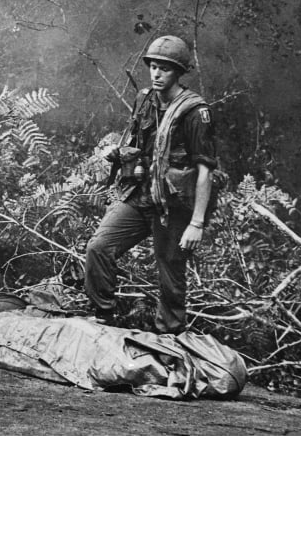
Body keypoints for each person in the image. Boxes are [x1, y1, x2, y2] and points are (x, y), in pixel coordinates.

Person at [85, 35, 218, 334]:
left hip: (172, 206)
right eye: (153, 67)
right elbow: (138, 141)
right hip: (139, 194)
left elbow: (205, 170)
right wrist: (117, 153)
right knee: (99, 247)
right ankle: (104, 318)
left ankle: (169, 337)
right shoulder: (144, 98)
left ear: (179, 72)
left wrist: (196, 223)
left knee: (170, 271)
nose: (157, 74)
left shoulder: (195, 112)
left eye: (165, 69)